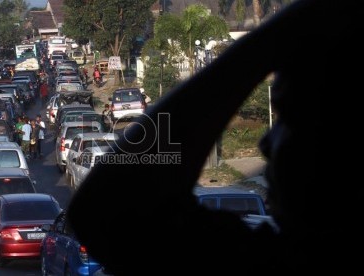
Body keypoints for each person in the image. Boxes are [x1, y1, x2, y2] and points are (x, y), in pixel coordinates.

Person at [66, 0, 361, 274]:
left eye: (289, 119)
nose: (265, 143)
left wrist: (270, 42)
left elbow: (105, 213)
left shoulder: (271, 258)